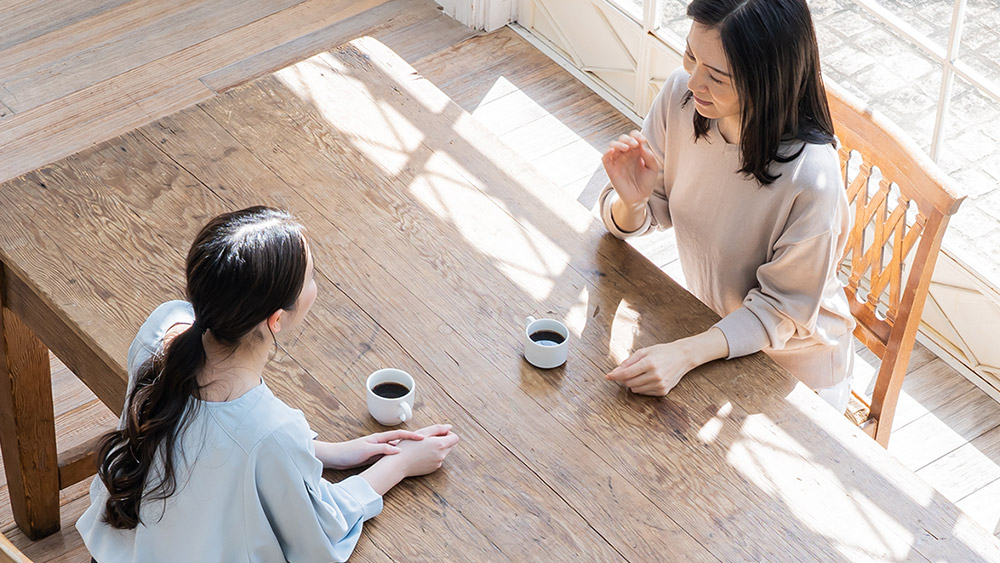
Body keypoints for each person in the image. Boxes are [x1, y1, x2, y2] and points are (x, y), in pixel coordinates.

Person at [77, 206, 459, 562]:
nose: (315, 282)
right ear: (275, 320)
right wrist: (402, 465)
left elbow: (212, 441)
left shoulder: (162, 327)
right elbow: (315, 538)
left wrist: (324, 452)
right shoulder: (271, 431)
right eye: (311, 276)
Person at [600, 0, 856, 411]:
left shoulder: (811, 179)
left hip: (793, 371)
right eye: (690, 55)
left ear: (767, 80)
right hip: (713, 329)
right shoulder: (682, 100)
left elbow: (780, 311)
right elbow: (645, 212)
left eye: (717, 77)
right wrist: (632, 203)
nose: (693, 81)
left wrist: (682, 354)